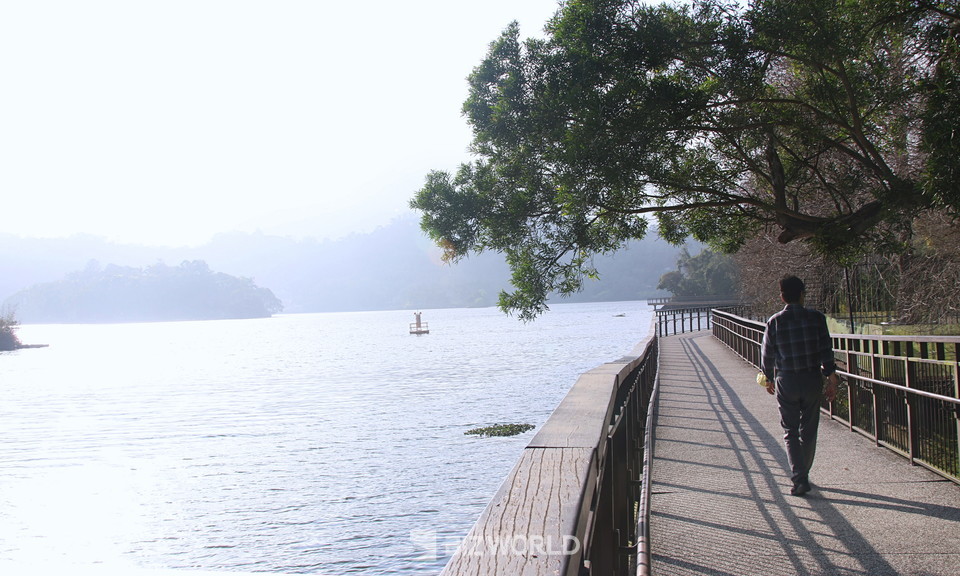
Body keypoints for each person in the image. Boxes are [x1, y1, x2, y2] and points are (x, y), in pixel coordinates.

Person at [760, 275, 839, 497]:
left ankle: (799, 477)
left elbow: (767, 354)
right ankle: (804, 472)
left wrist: (767, 377)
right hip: (812, 378)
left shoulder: (774, 321)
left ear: (782, 296)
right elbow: (826, 351)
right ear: (803, 294)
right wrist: (830, 377)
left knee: (790, 431)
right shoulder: (816, 318)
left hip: (787, 380)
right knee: (809, 429)